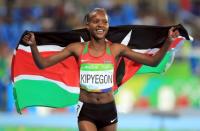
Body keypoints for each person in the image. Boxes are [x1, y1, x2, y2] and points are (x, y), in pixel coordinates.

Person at [22, 8, 180, 131]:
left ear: (108, 26)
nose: (100, 25)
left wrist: (168, 41)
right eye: (96, 21)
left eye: (104, 22)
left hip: (108, 109)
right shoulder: (77, 49)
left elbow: (152, 61)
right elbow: (43, 64)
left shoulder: (117, 49)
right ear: (88, 25)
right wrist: (34, 45)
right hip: (86, 109)